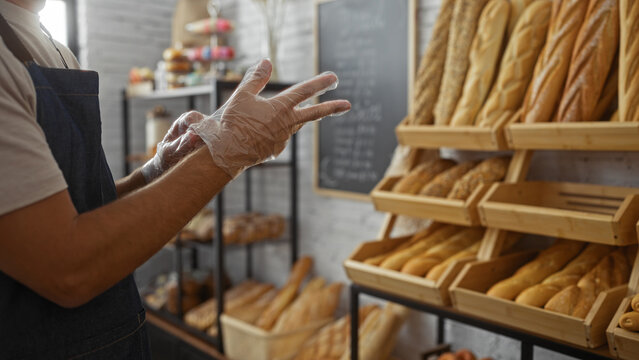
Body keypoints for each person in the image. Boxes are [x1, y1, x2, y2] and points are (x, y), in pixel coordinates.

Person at [0, 0, 351, 358]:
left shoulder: (50, 45)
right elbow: (67, 268)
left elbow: (84, 210)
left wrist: (156, 171)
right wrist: (228, 150)